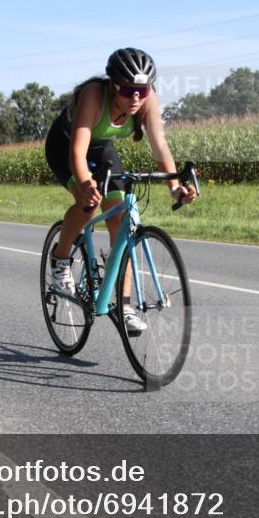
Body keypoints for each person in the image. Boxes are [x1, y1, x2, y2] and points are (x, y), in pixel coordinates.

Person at [44, 48, 197, 333]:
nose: (136, 97)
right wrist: (86, 183)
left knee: (120, 219)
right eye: (128, 90)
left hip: (102, 149)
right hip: (66, 145)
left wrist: (175, 188)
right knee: (88, 202)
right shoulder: (93, 94)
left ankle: (123, 305)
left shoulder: (147, 101)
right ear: (113, 85)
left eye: (142, 89)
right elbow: (78, 152)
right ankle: (60, 259)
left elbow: (160, 147)